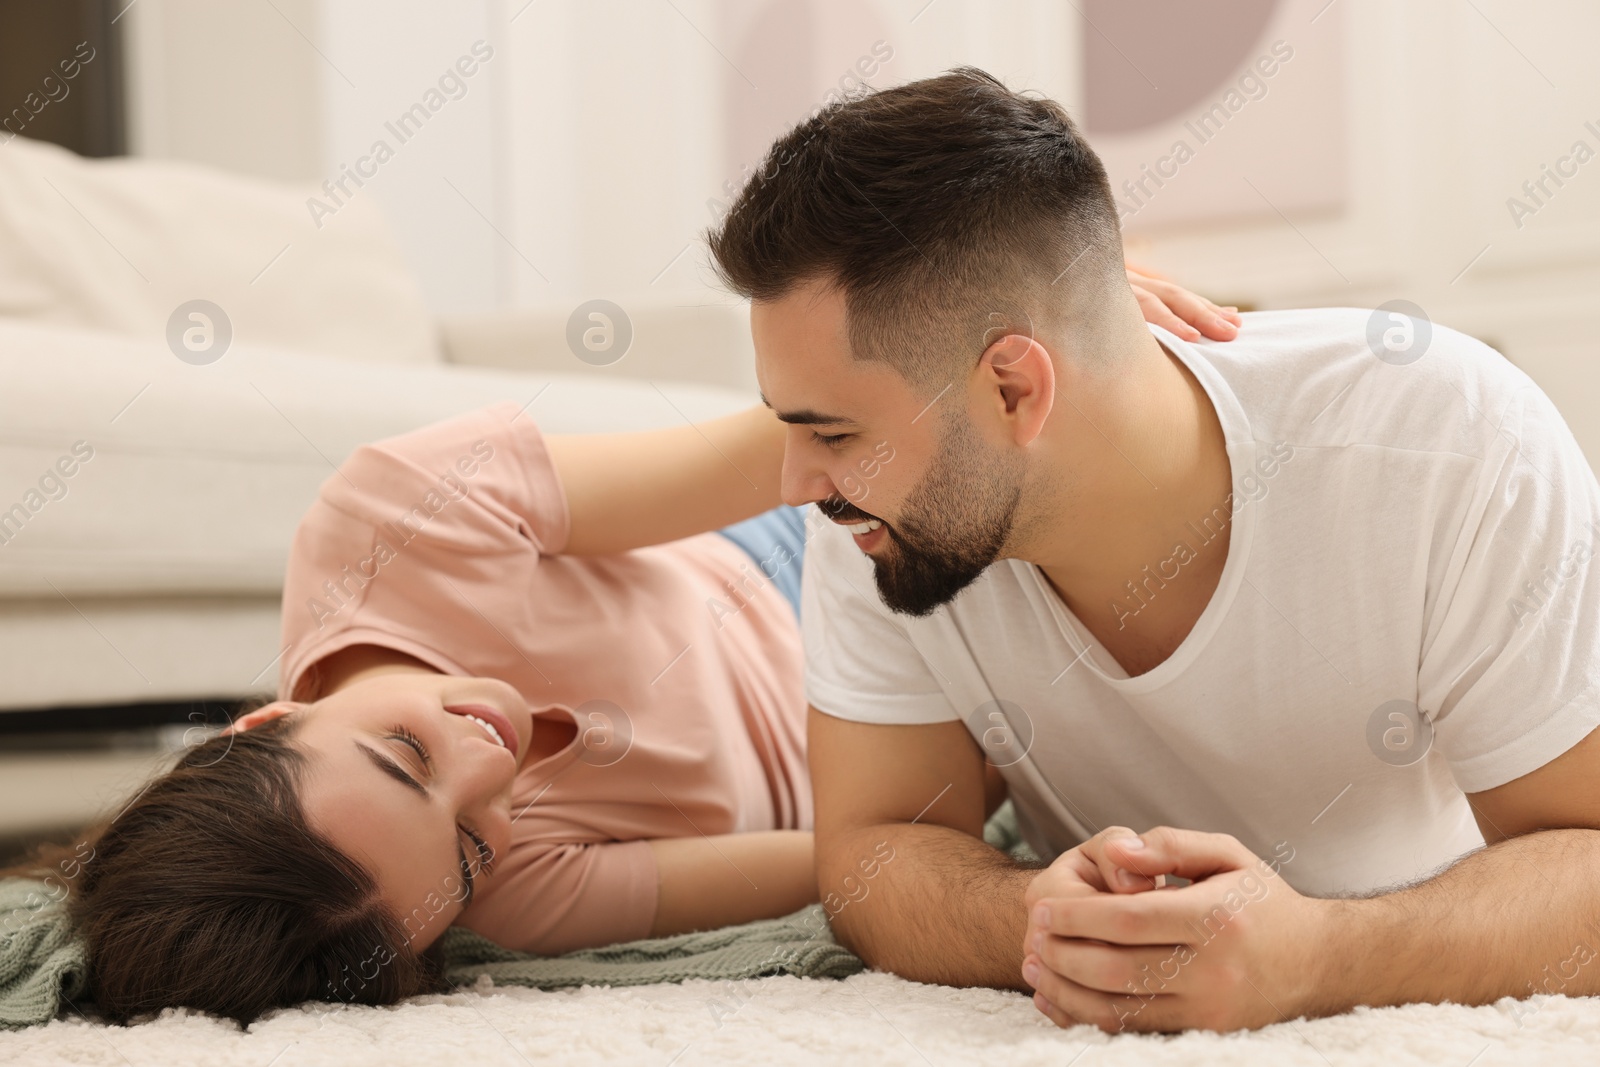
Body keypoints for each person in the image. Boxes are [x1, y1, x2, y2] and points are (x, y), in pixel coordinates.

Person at [0, 269, 1233, 1025]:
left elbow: (786, 447)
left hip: (789, 553)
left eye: (400, 756)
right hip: (887, 739)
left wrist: (997, 334)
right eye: (472, 847)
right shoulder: (510, 903)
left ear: (263, 721)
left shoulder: (392, 522)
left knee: (1098, 442)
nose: (493, 771)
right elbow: (851, 860)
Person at [706, 66, 1600, 1034]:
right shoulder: (876, 517)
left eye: (832, 434)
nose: (797, 482)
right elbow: (876, 845)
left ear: (1013, 389)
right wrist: (1042, 917)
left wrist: (1321, 956)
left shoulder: (1451, 444)